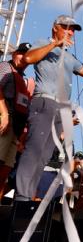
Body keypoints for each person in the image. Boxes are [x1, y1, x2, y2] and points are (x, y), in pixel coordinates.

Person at [14, 15, 83, 202]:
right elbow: (28, 57)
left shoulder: (69, 56)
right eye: (66, 27)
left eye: (73, 29)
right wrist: (55, 44)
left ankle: (28, 197)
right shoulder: (43, 43)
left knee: (43, 155)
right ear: (55, 28)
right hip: (45, 102)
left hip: (62, 108)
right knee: (34, 150)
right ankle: (21, 198)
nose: (70, 32)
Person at [0, 42, 31, 196]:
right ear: (14, 54)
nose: (23, 57)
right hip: (4, 122)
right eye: (20, 53)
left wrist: (21, 137)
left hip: (15, 130)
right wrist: (4, 113)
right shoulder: (5, 67)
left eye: (27, 55)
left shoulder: (24, 80)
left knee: (5, 173)